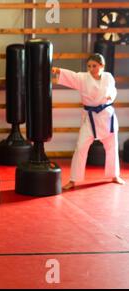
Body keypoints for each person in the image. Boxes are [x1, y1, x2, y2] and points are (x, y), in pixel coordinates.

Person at [52, 53, 125, 190]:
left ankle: (114, 175)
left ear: (102, 66)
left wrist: (111, 95)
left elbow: (113, 90)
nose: (91, 69)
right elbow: (72, 75)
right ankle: (74, 179)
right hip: (90, 118)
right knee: (81, 147)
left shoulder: (108, 77)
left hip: (107, 117)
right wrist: (58, 71)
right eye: (89, 66)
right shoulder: (83, 78)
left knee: (112, 147)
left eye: (94, 66)